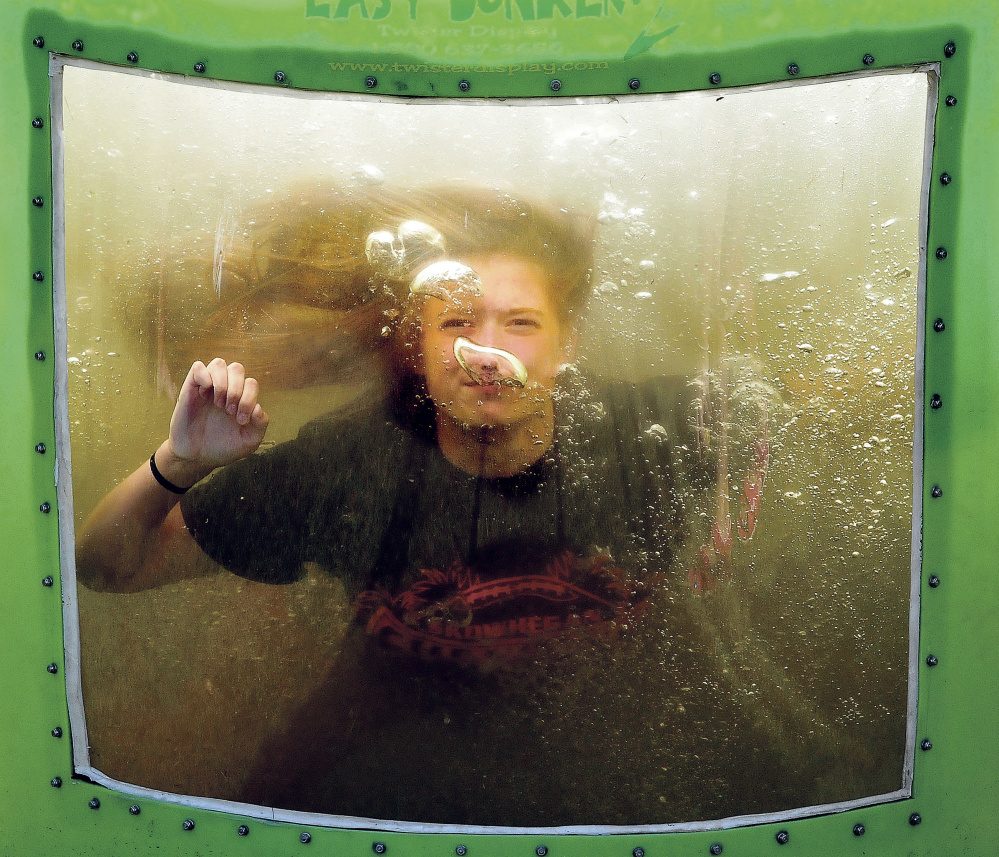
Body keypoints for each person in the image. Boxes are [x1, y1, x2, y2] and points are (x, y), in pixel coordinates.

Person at [76, 186, 780, 825]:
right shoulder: (347, 465)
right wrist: (178, 465)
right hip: (393, 744)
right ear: (419, 343)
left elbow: (827, 409)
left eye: (522, 323)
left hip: (611, 747)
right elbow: (108, 565)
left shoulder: (651, 432)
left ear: (567, 341)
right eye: (456, 323)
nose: (485, 350)